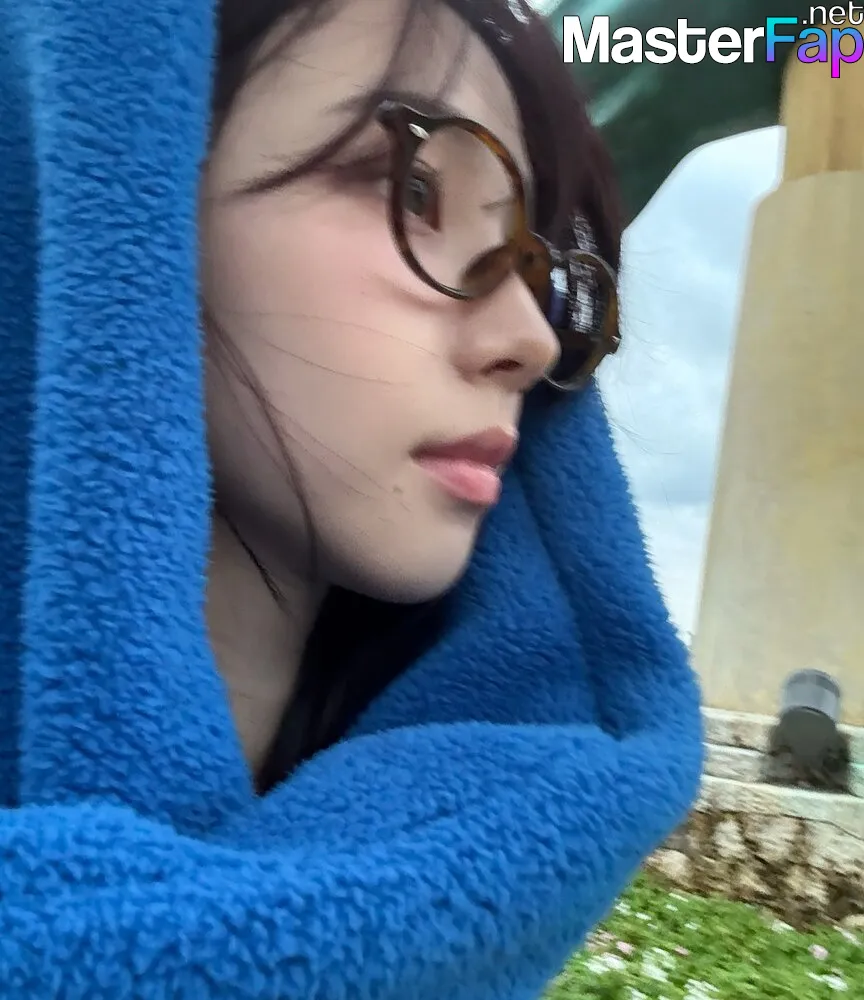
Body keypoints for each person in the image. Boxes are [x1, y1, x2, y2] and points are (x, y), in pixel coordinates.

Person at [0, 0, 702, 996]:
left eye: (538, 266)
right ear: (107, 199)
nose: (531, 339)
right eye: (415, 189)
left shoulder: (485, 852)